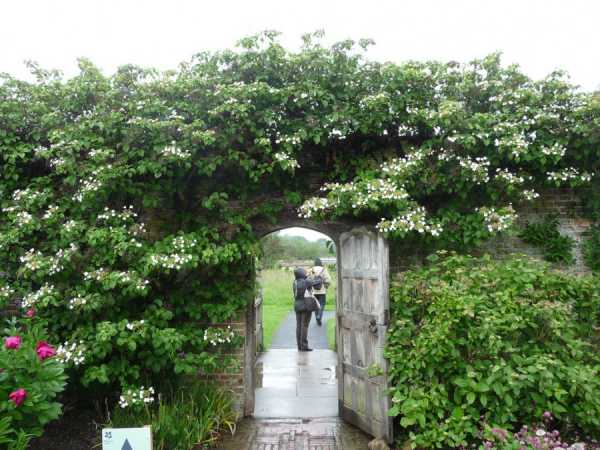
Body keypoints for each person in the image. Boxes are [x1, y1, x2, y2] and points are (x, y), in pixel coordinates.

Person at [292, 267, 320, 352]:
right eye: (304, 272)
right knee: (304, 326)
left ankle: (299, 346)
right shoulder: (306, 282)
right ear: (301, 273)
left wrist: (308, 276)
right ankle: (304, 346)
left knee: (299, 326)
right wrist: (316, 275)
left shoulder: (295, 282)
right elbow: (318, 283)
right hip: (306, 306)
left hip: (297, 305)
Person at [309, 258, 332, 326]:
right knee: (322, 304)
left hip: (314, 292)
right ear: (320, 263)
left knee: (316, 305)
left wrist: (311, 286)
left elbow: (308, 279)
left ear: (315, 263)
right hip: (322, 291)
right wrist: (326, 285)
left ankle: (317, 318)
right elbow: (328, 279)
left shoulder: (312, 269)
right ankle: (319, 316)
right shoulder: (323, 269)